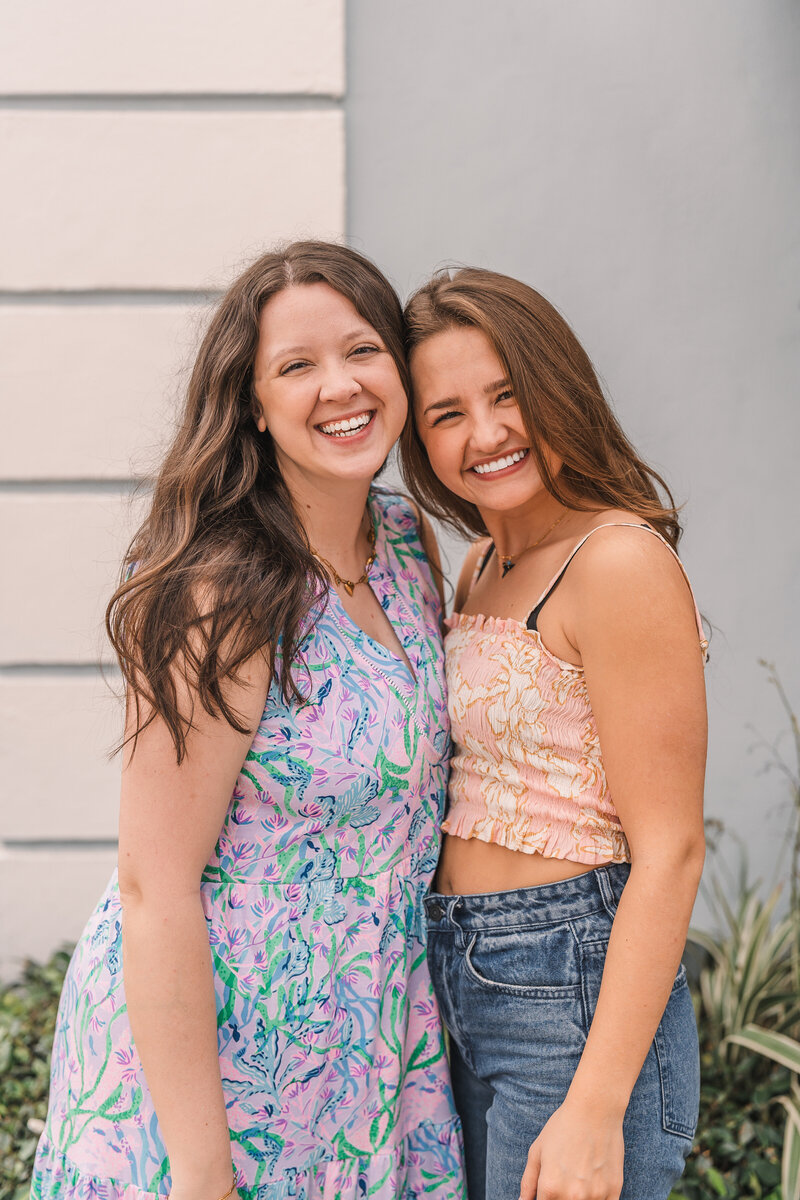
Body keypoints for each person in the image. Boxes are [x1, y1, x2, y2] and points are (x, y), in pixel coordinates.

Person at [31, 242, 466, 1200]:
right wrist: (200, 1169)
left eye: (362, 350)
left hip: (369, 1037)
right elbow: (155, 885)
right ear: (253, 407)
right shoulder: (226, 590)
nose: (340, 386)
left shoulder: (404, 540)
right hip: (222, 1053)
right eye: (296, 366)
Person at [400, 267, 707, 1200]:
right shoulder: (482, 566)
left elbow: (673, 851)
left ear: (556, 389)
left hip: (571, 989)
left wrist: (597, 1102)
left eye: (506, 395)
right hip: (469, 978)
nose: (485, 433)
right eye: (446, 412)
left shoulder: (615, 561)